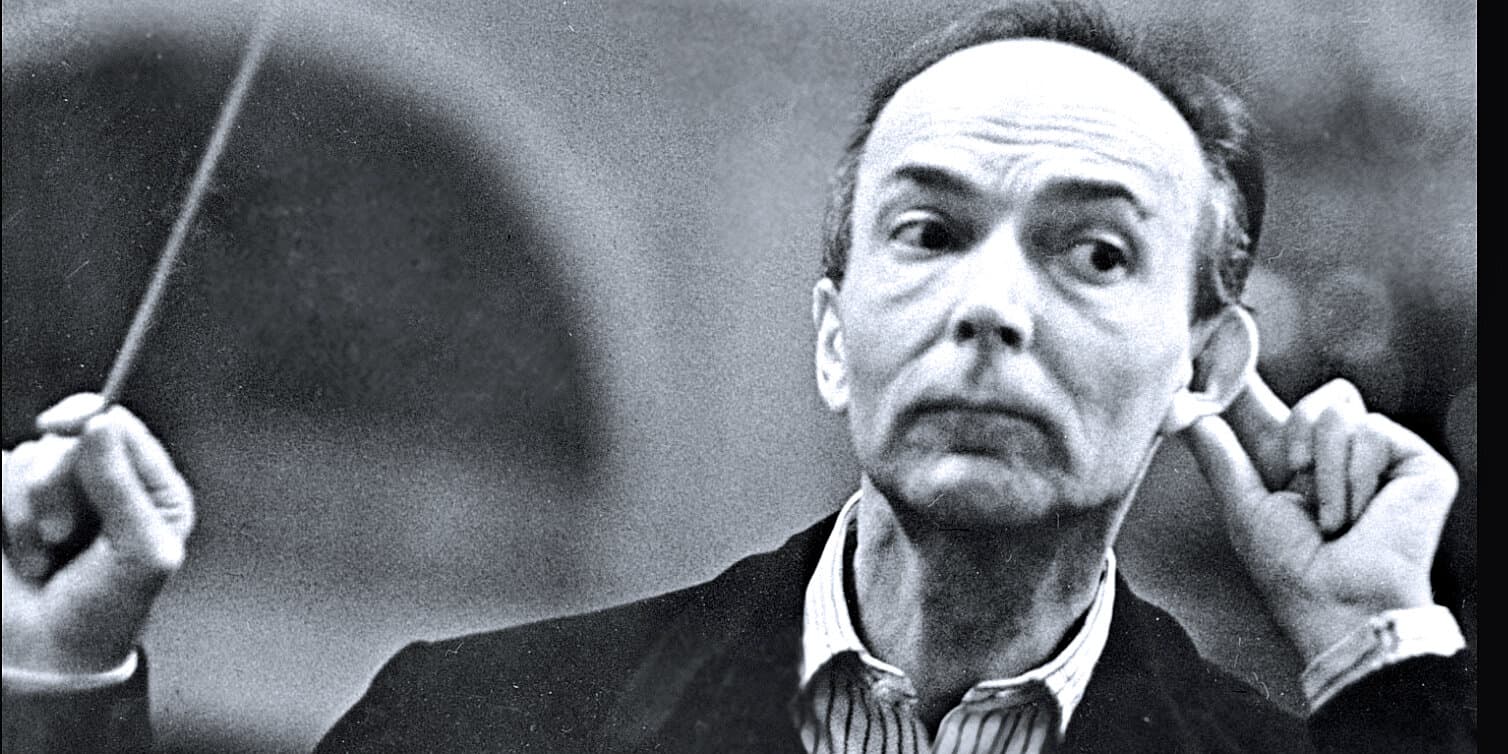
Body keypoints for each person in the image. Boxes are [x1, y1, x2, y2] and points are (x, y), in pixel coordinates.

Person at [1, 2, 1475, 752]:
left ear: (1203, 367)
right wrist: (61, 674)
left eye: (1092, 254)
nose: (989, 309)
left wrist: (1373, 650)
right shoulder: (482, 723)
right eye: (930, 230)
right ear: (834, 333)